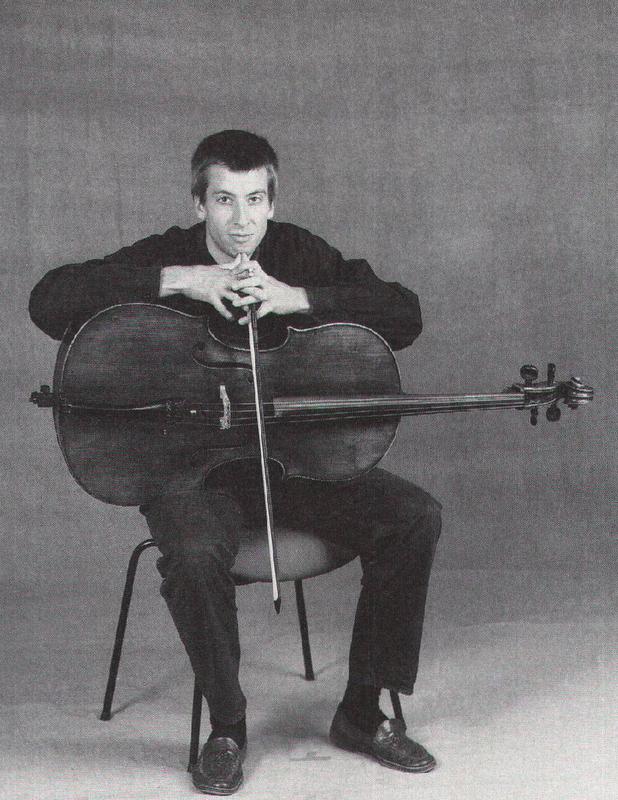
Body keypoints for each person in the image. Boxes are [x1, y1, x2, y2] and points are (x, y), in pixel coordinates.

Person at [29, 129, 442, 795]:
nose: (242, 220)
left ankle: (363, 713)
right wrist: (183, 279)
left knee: (413, 516)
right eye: (224, 200)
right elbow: (48, 300)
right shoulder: (170, 253)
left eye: (255, 200)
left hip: (294, 465)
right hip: (193, 474)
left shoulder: (297, 252)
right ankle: (227, 725)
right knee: (194, 554)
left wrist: (299, 297)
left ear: (273, 203)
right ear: (199, 204)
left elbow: (404, 314)